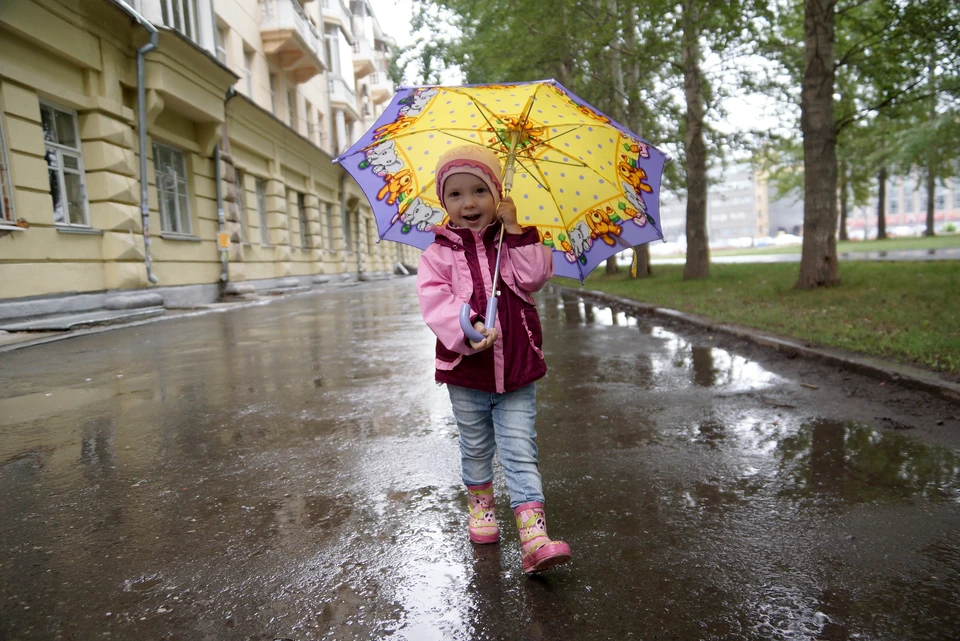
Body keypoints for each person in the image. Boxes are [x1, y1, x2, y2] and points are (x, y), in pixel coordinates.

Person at [416, 145, 572, 574]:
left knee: (521, 451)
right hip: (466, 372)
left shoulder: (514, 239)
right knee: (477, 446)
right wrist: (467, 329)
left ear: (498, 195)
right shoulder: (438, 255)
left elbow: (535, 276)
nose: (469, 203)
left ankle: (534, 538)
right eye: (457, 194)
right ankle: (481, 508)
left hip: (517, 370)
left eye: (481, 191)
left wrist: (517, 228)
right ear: (443, 202)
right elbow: (435, 302)